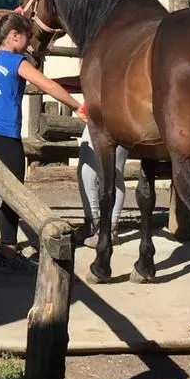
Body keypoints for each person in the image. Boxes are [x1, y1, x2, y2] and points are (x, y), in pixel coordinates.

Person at [0, 13, 88, 269]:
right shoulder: (15, 62)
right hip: (6, 136)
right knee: (13, 193)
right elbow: (47, 85)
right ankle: (9, 250)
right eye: (27, 38)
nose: (30, 43)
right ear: (14, 36)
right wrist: (77, 105)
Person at [51, 74, 126, 248]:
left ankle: (112, 227)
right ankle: (92, 222)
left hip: (120, 115)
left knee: (114, 173)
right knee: (86, 171)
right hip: (95, 116)